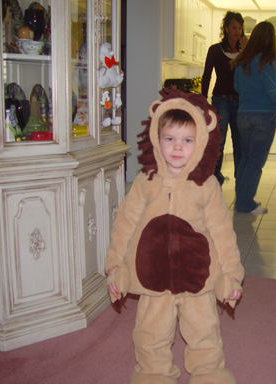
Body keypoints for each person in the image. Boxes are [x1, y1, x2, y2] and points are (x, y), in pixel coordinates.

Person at [104, 88, 244, 384]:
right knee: (149, 332)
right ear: (157, 138)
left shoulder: (206, 185)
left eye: (187, 141)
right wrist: (116, 266)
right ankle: (153, 372)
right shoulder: (146, 181)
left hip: (198, 276)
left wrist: (231, 273)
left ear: (201, 142)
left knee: (204, 330)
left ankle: (209, 371)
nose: (177, 148)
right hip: (153, 275)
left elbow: (222, 232)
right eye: (170, 139)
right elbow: (125, 224)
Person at [232, 21, 276, 213]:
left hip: (243, 116)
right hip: (263, 118)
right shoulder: (267, 61)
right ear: (270, 39)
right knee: (256, 162)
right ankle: (245, 203)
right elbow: (273, 91)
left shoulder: (242, 61)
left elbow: (238, 87)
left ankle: (242, 201)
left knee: (247, 159)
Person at [201, 11, 248, 185]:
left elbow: (251, 74)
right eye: (234, 27)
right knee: (218, 143)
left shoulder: (245, 52)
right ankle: (215, 180)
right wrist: (203, 100)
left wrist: (247, 50)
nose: (237, 31)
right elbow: (206, 76)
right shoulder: (215, 50)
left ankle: (241, 181)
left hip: (240, 102)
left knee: (240, 144)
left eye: (240, 28)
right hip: (220, 101)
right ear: (226, 28)